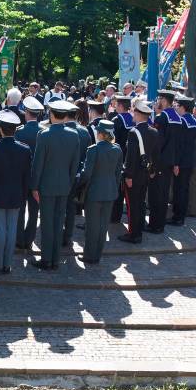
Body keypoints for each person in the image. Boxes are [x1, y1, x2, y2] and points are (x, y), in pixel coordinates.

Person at [30, 100, 81, 270]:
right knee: (59, 222)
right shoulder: (74, 135)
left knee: (47, 223)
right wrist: (69, 181)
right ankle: (55, 259)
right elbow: (75, 165)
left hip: (46, 186)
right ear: (66, 116)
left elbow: (38, 164)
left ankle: (46, 259)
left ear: (51, 115)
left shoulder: (44, 135)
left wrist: (34, 186)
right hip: (64, 185)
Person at [0, 110, 31, 274]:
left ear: (1, 130)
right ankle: (7, 264)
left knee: (0, 231)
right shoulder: (25, 150)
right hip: (16, 195)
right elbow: (27, 177)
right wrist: (24, 196)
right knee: (11, 230)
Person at [78, 120, 122, 264]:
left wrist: (78, 184)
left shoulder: (93, 150)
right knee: (103, 226)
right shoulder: (117, 149)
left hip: (94, 193)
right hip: (110, 192)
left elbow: (87, 174)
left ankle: (89, 255)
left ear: (101, 134)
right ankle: (97, 254)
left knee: (92, 225)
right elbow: (117, 174)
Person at [119, 99, 160, 244]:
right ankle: (139, 229)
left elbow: (131, 157)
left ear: (137, 113)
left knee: (132, 206)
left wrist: (128, 175)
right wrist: (153, 170)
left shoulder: (133, 132)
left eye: (134, 111)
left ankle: (133, 234)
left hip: (134, 175)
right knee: (141, 203)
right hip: (146, 174)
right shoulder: (154, 131)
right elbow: (156, 154)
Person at [146, 89, 180, 234]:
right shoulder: (177, 117)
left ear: (164, 101)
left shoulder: (161, 118)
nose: (157, 101)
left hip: (159, 162)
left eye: (159, 98)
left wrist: (151, 165)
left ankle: (155, 225)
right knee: (164, 193)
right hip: (170, 161)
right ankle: (160, 224)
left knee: (155, 194)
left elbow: (156, 144)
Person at [14, 96, 44, 250]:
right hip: (37, 179)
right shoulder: (44, 132)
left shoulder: (19, 131)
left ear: (26, 113)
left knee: (20, 210)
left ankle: (19, 239)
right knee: (34, 211)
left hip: (21, 177)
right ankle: (29, 238)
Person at [63, 101, 92, 247]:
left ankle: (58, 235)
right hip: (78, 175)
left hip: (62, 174)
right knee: (71, 206)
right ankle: (67, 236)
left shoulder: (63, 130)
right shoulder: (85, 131)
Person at [168, 95, 196, 226]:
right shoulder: (193, 120)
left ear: (182, 107)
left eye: (177, 106)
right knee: (184, 189)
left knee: (179, 190)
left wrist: (176, 163)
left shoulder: (182, 122)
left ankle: (177, 217)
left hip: (181, 161)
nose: (176, 108)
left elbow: (180, 145)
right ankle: (181, 215)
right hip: (189, 160)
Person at [110, 95, 134, 223]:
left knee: (117, 188)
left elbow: (113, 140)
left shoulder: (116, 120)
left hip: (118, 157)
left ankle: (114, 216)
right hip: (129, 158)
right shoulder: (133, 118)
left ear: (120, 106)